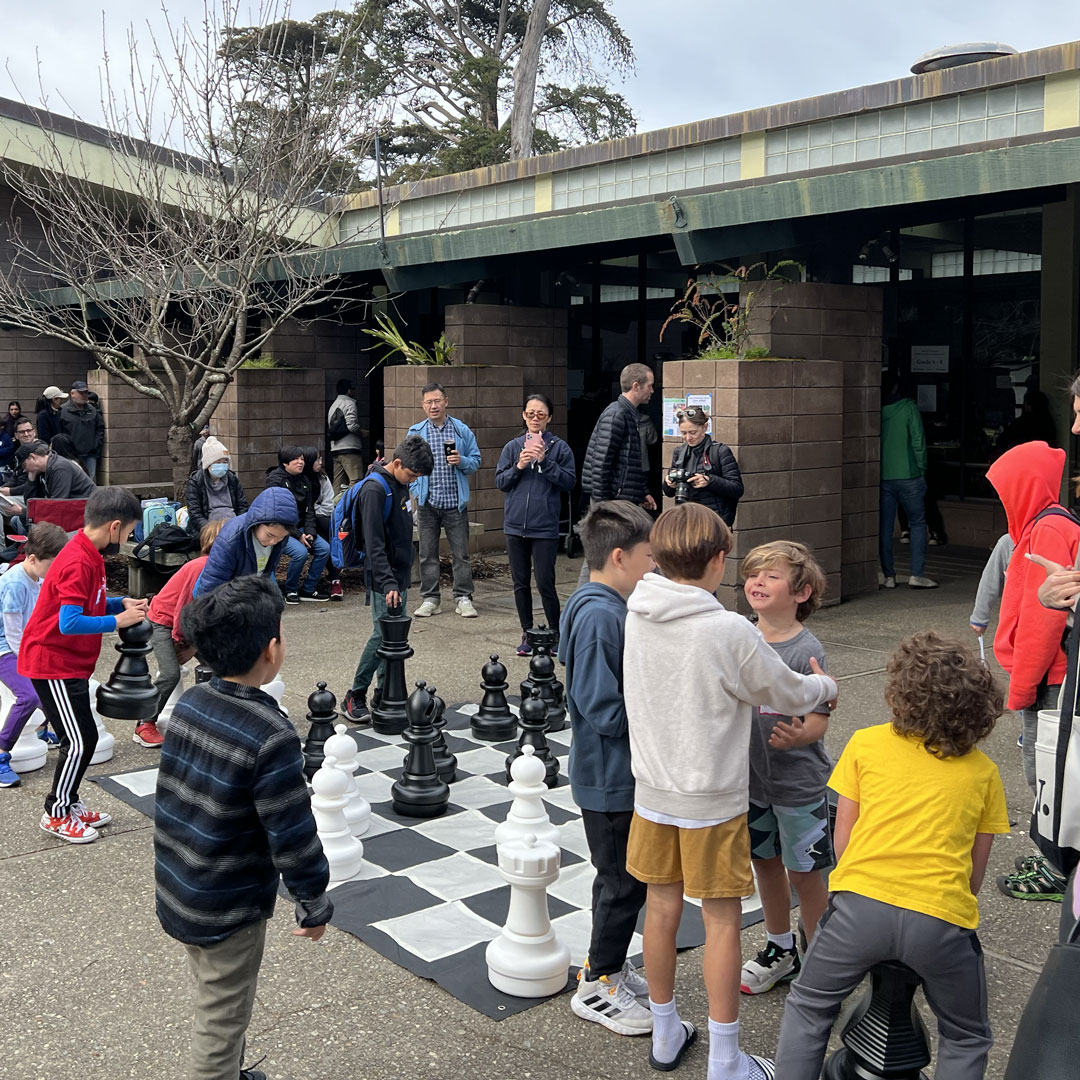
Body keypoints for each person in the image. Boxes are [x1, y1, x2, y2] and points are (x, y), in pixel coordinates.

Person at [623, 503, 837, 1080]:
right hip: (711, 799)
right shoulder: (726, 630)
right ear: (719, 560)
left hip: (652, 793)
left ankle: (666, 1033)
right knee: (719, 922)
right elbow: (791, 691)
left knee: (661, 909)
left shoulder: (637, 611)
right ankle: (726, 1061)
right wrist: (827, 682)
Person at [774, 631, 1009, 1080]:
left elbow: (842, 843)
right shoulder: (984, 773)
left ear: (899, 693)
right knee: (965, 1035)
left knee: (809, 1006)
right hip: (940, 919)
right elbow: (974, 874)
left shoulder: (866, 743)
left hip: (858, 910)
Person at [155, 574, 331, 1080]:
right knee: (222, 1018)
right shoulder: (270, 734)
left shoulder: (190, 703)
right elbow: (291, 833)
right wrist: (312, 899)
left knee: (218, 993)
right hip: (226, 901)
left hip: (182, 882)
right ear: (271, 649)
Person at [558, 500, 656, 1037]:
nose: (654, 567)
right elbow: (601, 706)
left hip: (609, 773)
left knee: (620, 880)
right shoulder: (601, 615)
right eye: (648, 557)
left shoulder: (598, 602)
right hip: (608, 776)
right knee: (621, 882)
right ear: (619, 557)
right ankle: (599, 982)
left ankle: (609, 964)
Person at [18, 487, 148, 843]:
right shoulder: (77, 559)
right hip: (53, 662)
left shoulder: (88, 553)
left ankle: (69, 801)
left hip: (67, 663)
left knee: (80, 738)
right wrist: (118, 622)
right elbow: (69, 622)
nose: (129, 538)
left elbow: (93, 599)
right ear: (115, 526)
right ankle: (57, 813)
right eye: (130, 531)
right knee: (78, 741)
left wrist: (120, 602)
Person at [737, 541, 833, 996]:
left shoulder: (805, 649)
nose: (757, 581)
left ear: (801, 592)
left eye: (771, 576)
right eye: (754, 573)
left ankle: (820, 958)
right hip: (752, 783)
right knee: (766, 865)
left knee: (805, 874)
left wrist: (802, 735)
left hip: (798, 786)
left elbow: (820, 713)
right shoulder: (740, 636)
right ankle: (780, 949)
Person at [986, 439, 1079, 901]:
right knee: (1053, 772)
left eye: (1005, 490)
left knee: (1048, 774)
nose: (1002, 500)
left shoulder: (1045, 530)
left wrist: (1019, 688)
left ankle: (1059, 867)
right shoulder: (1045, 526)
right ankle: (1055, 857)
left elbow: (1043, 622)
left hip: (1049, 677)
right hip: (1049, 674)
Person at [342, 434, 434, 724]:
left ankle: (385, 690)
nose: (414, 480)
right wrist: (388, 581)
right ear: (396, 463)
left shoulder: (401, 485)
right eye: (412, 474)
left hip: (400, 573)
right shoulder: (375, 490)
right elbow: (374, 542)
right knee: (382, 635)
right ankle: (355, 693)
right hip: (384, 575)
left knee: (395, 637)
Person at [496, 393, 577, 656]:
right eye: (530, 413)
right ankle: (527, 632)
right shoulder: (512, 447)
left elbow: (569, 482)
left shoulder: (560, 448)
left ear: (549, 418)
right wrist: (519, 465)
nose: (535, 419)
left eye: (540, 414)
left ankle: (554, 632)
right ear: (523, 415)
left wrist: (545, 461)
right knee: (520, 583)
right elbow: (501, 482)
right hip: (515, 525)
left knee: (545, 582)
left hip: (545, 527)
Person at [143, 519, 229, 748]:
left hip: (192, 625)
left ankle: (223, 714)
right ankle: (145, 722)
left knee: (225, 666)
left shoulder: (225, 568)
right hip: (163, 621)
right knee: (170, 674)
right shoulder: (202, 566)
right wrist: (186, 644)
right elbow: (184, 609)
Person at [0, 523, 69, 788]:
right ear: (32, 559)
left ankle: (41, 730)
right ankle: (1, 752)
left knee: (60, 675)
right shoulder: (16, 583)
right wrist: (31, 663)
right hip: (5, 645)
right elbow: (13, 632)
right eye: (53, 565)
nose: (56, 572)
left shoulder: (38, 577)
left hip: (22, 642)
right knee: (29, 693)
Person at [577, 363, 657, 585]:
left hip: (614, 498)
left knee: (602, 556)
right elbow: (602, 462)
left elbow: (625, 462)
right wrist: (604, 507)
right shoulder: (618, 414)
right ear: (636, 386)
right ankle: (584, 604)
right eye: (650, 385)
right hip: (610, 501)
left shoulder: (625, 413)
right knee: (599, 557)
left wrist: (641, 491)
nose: (652, 390)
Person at [408, 382, 481, 619]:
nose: (433, 405)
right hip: (428, 503)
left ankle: (463, 597)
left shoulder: (461, 430)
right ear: (422, 405)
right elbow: (407, 465)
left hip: (455, 502)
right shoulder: (416, 432)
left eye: (437, 400)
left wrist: (462, 461)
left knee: (460, 554)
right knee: (427, 553)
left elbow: (476, 461)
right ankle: (431, 598)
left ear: (446, 402)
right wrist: (417, 491)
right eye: (428, 402)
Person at [879, 373, 936, 590]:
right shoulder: (908, 407)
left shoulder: (876, 408)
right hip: (909, 474)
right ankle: (917, 574)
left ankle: (889, 576)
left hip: (884, 475)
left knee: (885, 528)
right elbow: (918, 441)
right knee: (918, 523)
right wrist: (921, 468)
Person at [193, 487, 299, 598]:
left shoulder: (281, 534)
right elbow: (212, 583)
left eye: (280, 537)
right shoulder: (230, 539)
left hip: (251, 585)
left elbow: (268, 570)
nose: (273, 542)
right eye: (270, 535)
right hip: (222, 593)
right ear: (257, 523)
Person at [265, 445, 331, 604]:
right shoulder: (275, 481)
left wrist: (310, 532)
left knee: (324, 549)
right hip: (280, 530)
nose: (300, 462)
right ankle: (291, 590)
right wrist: (298, 535)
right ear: (285, 463)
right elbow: (278, 515)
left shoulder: (305, 480)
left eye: (302, 459)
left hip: (301, 528)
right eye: (296, 459)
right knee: (300, 553)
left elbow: (310, 511)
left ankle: (308, 588)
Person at [661, 406, 743, 526]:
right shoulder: (679, 452)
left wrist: (709, 481)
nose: (688, 438)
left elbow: (737, 489)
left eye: (693, 432)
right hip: (686, 520)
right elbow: (668, 493)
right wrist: (669, 483)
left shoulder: (720, 452)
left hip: (714, 521)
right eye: (683, 433)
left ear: (705, 427)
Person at [185, 435, 247, 535]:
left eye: (225, 462)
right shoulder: (196, 481)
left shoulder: (232, 479)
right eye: (218, 462)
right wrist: (210, 530)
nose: (222, 465)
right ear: (208, 464)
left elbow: (243, 506)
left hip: (234, 526)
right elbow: (195, 513)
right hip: (208, 530)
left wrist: (238, 524)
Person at [59, 379, 105, 481]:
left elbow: (100, 428)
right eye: (81, 393)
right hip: (71, 455)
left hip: (90, 454)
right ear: (72, 394)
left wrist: (95, 444)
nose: (84, 395)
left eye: (86, 393)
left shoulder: (92, 410)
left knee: (90, 481)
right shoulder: (62, 411)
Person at [312, 452, 343, 601]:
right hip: (303, 524)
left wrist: (313, 510)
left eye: (320, 458)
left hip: (320, 520)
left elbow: (328, 506)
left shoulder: (323, 478)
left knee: (327, 524)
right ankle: (335, 575)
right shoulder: (299, 480)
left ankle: (335, 576)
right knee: (326, 528)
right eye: (317, 459)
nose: (320, 462)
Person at [328, 378, 365, 491]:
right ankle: (352, 507)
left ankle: (335, 506)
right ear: (349, 391)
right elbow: (352, 426)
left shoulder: (334, 405)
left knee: (338, 484)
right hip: (349, 449)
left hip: (336, 448)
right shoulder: (349, 403)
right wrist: (363, 433)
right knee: (356, 481)